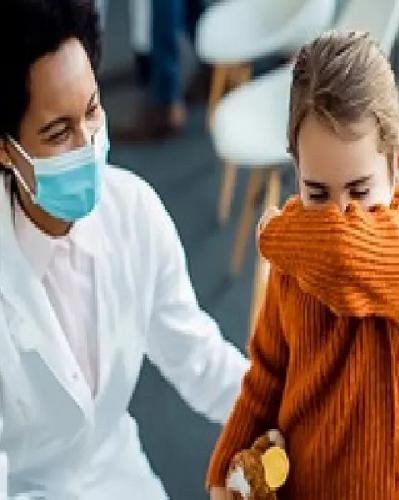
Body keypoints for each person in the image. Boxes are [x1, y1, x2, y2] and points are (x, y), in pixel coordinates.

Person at [0, 1, 247, 498]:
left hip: (119, 475)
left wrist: (290, 414)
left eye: (92, 110)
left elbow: (197, 357)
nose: (88, 144)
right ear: (7, 150)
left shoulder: (134, 212)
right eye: (58, 132)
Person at [207, 31, 399, 499]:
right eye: (316, 192)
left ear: (397, 163)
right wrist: (222, 473)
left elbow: (343, 254)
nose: (338, 213)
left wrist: (276, 232)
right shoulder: (296, 254)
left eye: (360, 191)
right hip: (290, 483)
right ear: (296, 168)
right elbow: (267, 373)